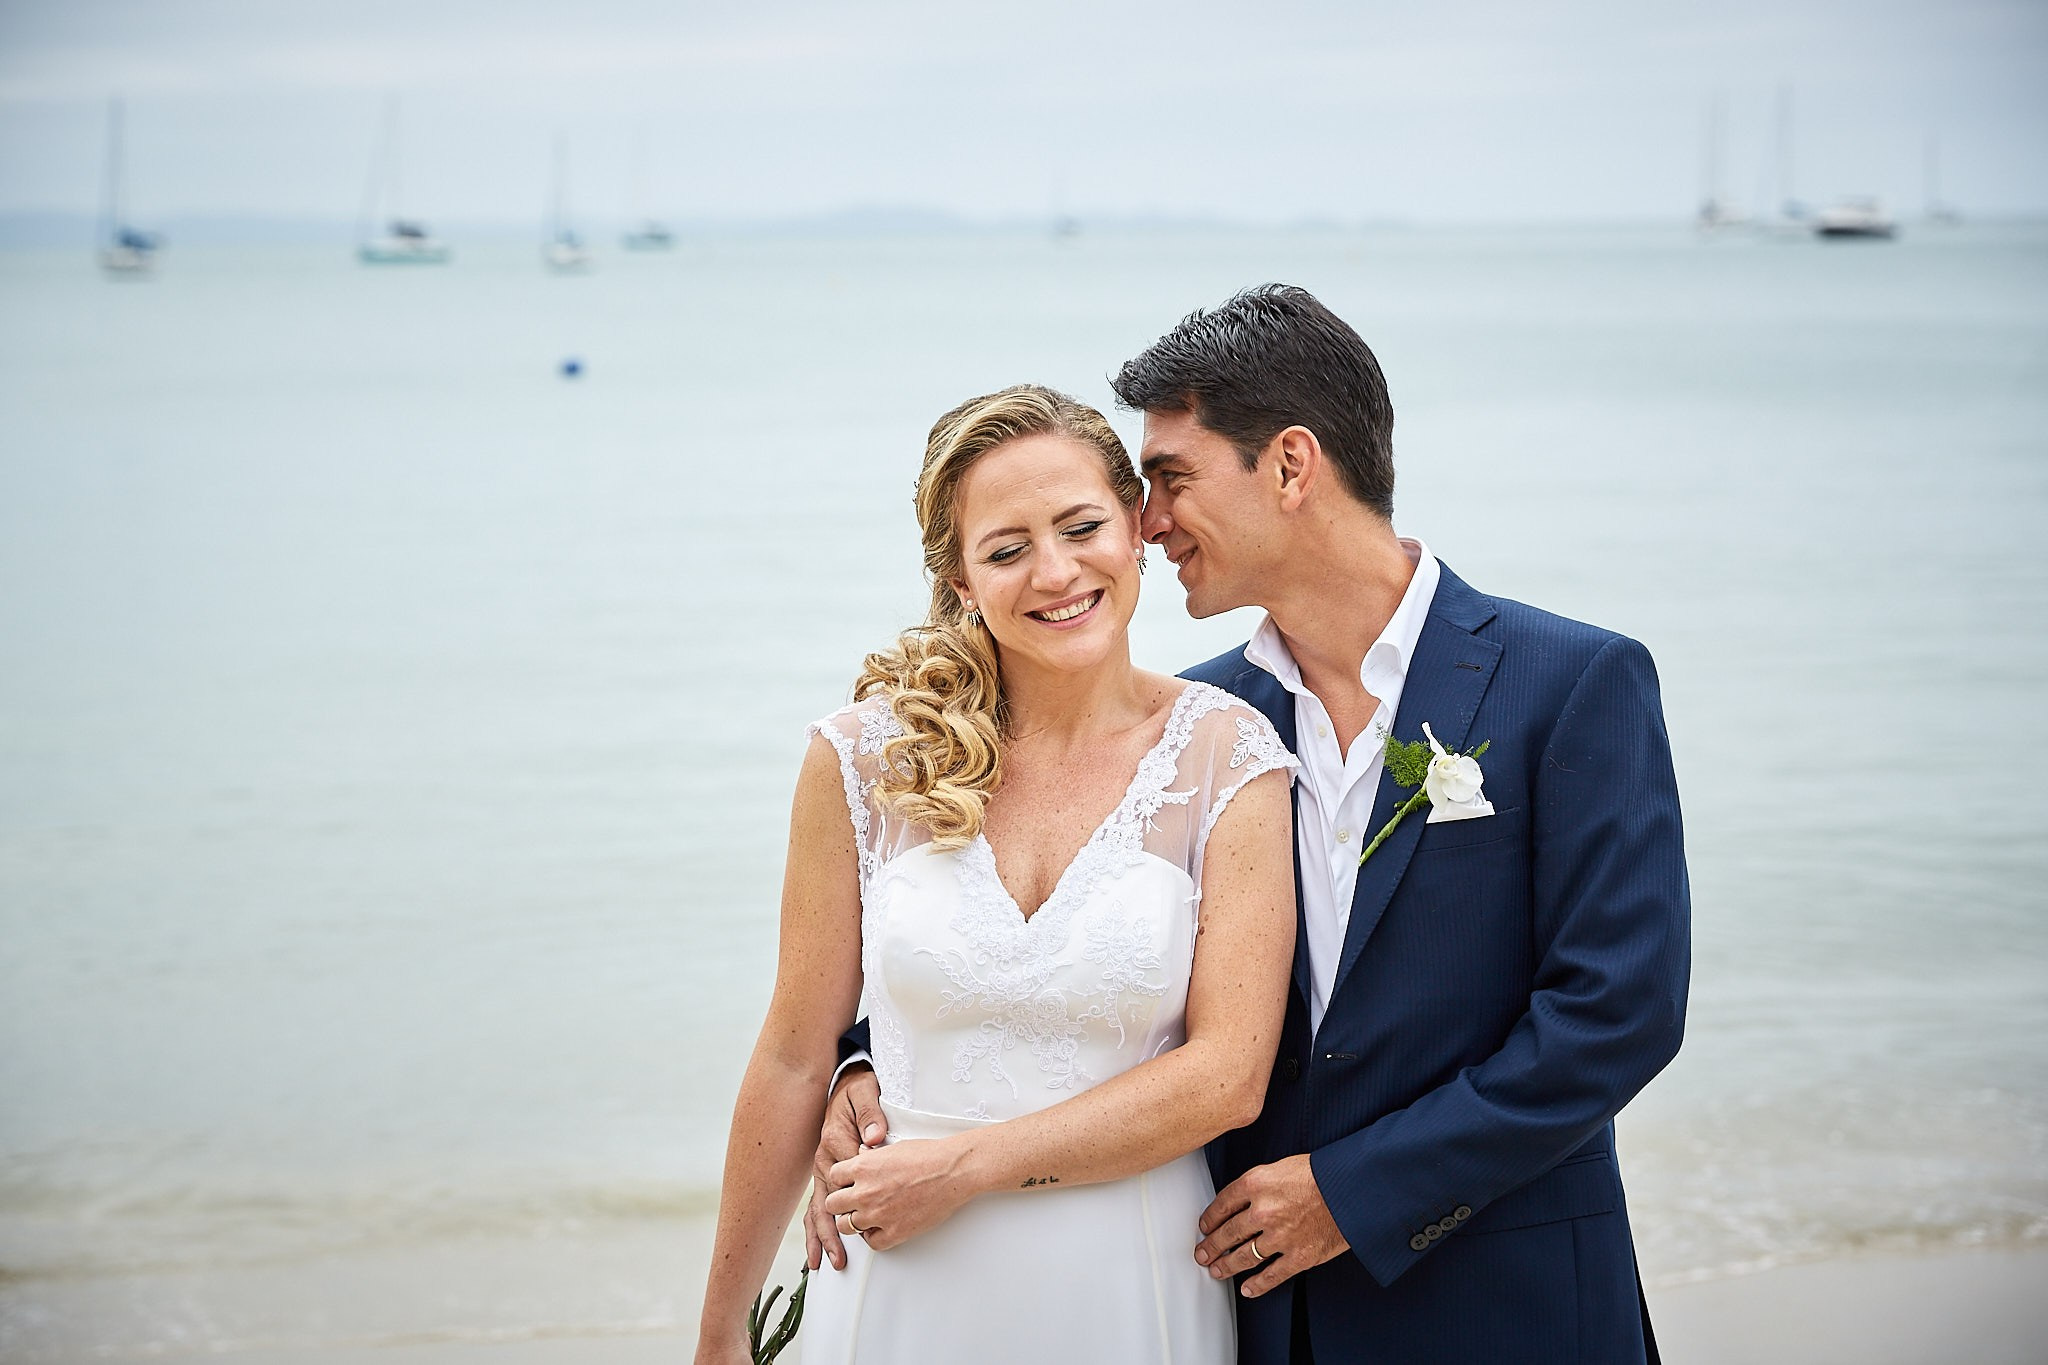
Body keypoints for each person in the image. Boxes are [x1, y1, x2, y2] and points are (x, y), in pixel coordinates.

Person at [812, 288, 1691, 1364]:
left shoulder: (1568, 682)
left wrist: (1351, 1191)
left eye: (1169, 479)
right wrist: (867, 1067)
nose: (1145, 521)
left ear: (1287, 465)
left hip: (1501, 1296)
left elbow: (1616, 1015)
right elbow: (1065, 962)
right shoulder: (1203, 730)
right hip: (1260, 1315)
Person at [694, 385, 1300, 1365]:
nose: (1054, 572)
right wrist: (720, 1332)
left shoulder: (1228, 758)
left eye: (1080, 527)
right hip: (892, 1278)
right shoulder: (859, 762)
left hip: (1128, 1280)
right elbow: (793, 1057)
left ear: (1137, 528)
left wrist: (962, 1171)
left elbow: (1225, 1078)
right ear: (960, 577)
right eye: (1006, 548)